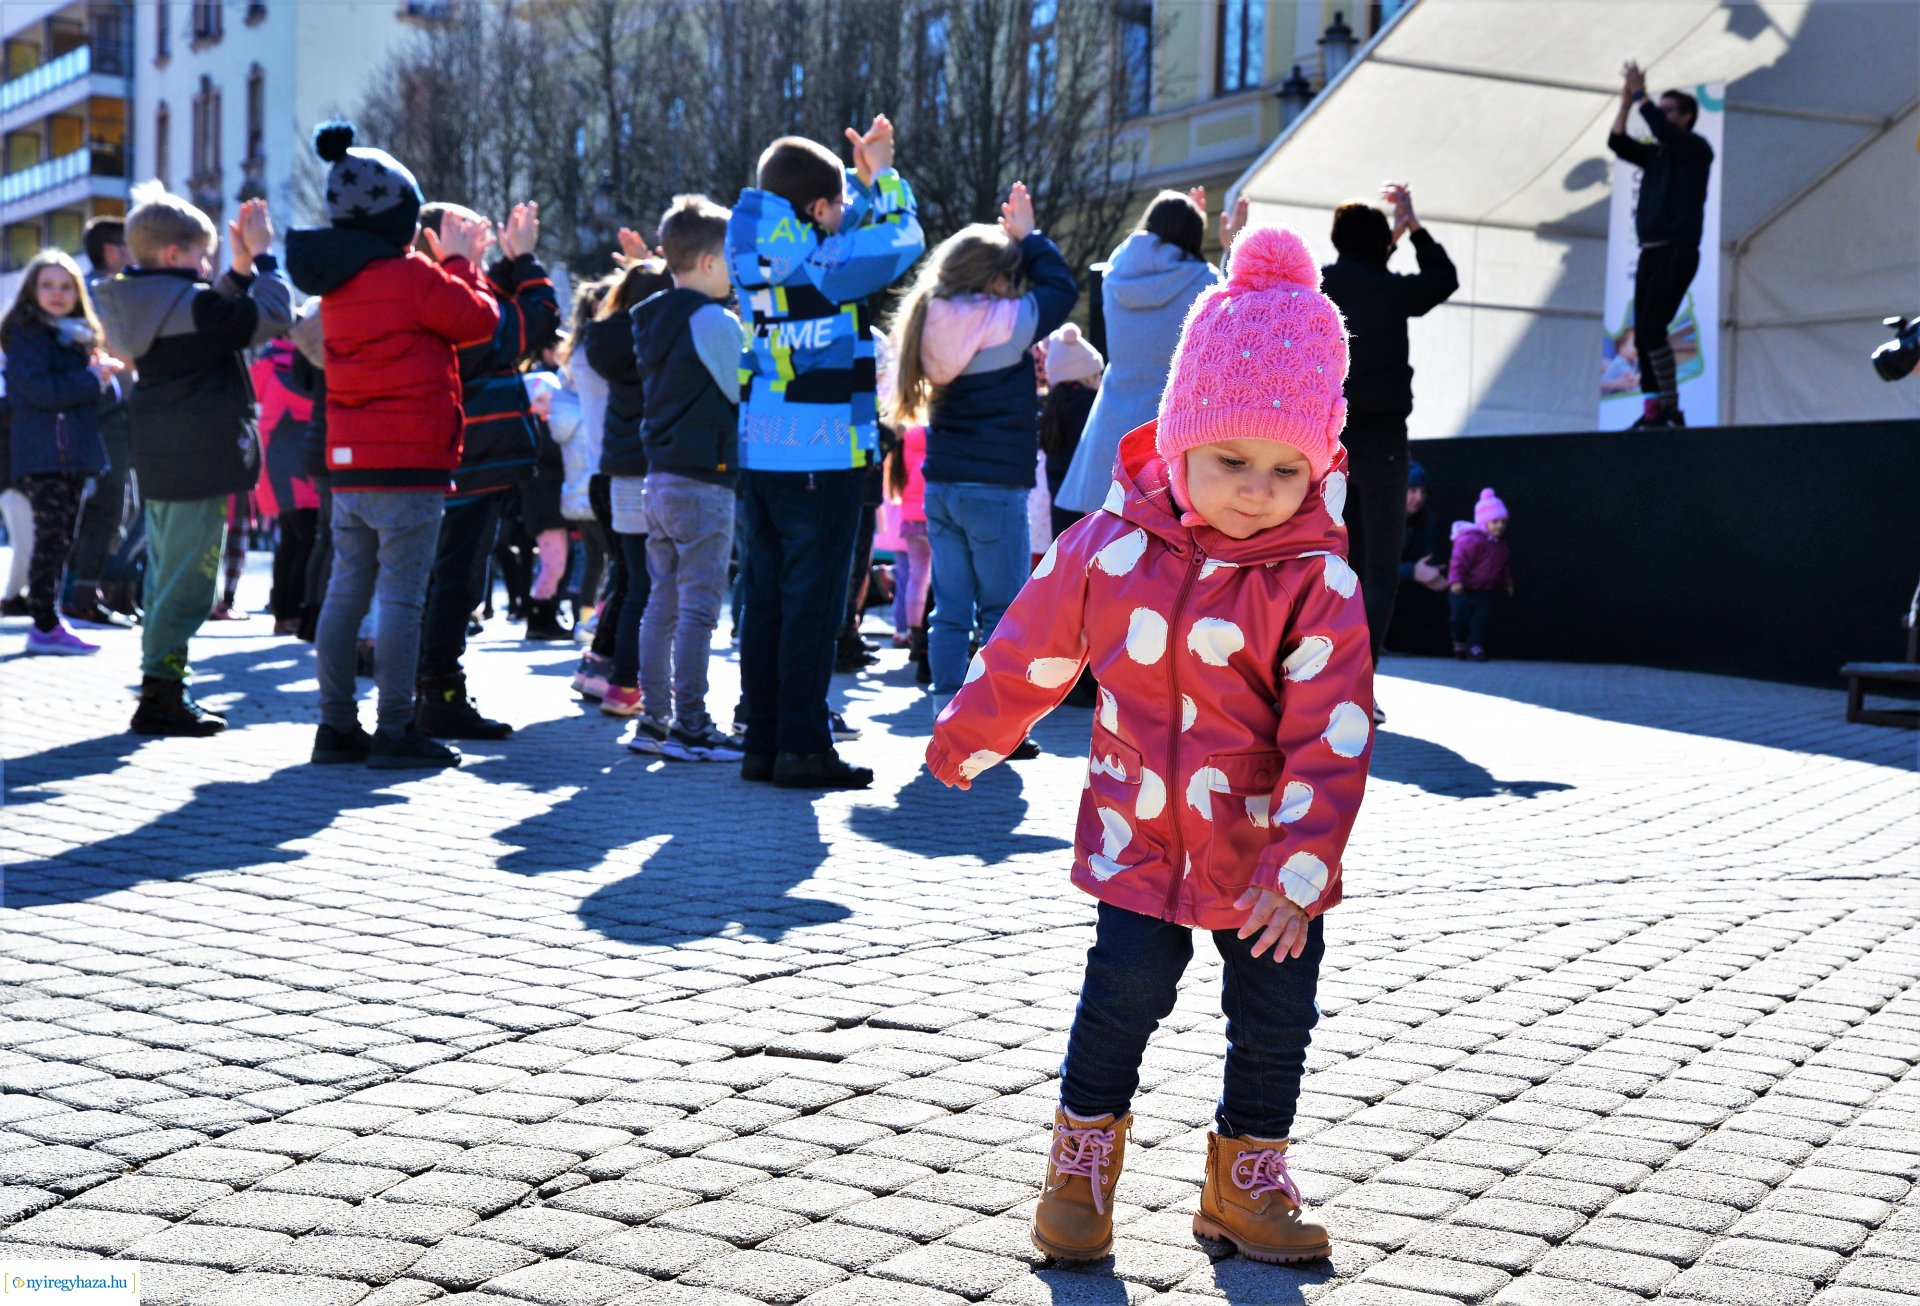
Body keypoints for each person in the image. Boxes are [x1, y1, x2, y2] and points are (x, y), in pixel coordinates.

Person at [927, 226, 1372, 1267]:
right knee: (1122, 990)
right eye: (1230, 460)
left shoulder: (1318, 581)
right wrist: (969, 738)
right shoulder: (1111, 546)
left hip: (1266, 854)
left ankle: (1246, 1174)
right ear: (1178, 438)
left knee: (1275, 1009)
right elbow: (1030, 646)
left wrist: (1299, 870)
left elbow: (1333, 737)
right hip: (1138, 832)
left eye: (1283, 467)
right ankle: (1079, 1167)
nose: (1256, 489)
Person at [285, 120, 500, 768]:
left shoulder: (335, 284)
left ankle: (335, 726)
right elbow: (480, 320)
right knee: (404, 596)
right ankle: (397, 731)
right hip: (410, 463)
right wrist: (460, 261)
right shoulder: (409, 276)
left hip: (350, 463)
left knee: (348, 590)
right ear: (403, 218)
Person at [729, 117, 924, 789]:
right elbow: (901, 240)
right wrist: (887, 178)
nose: (843, 214)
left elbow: (841, 240)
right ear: (816, 209)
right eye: (835, 205)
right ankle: (804, 747)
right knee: (812, 607)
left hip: (762, 454)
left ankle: (764, 741)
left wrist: (856, 187)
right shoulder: (821, 264)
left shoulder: (761, 252)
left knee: (767, 601)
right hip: (822, 456)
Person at [96, 184, 292, 736]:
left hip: (162, 451)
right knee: (190, 579)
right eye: (202, 256)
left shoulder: (140, 301)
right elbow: (273, 315)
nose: (208, 265)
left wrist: (235, 268)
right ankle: (162, 692)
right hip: (199, 454)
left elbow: (208, 315)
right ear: (176, 257)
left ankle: (161, 683)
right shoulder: (194, 307)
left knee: (166, 569)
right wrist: (264, 256)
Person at [888, 182, 1076, 705]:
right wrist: (1030, 237)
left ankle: (946, 705)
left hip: (944, 487)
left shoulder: (928, 319)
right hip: (994, 487)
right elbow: (1061, 290)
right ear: (993, 278)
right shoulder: (1001, 322)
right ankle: (992, 721)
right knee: (1002, 609)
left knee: (949, 607)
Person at [413, 199, 560, 739]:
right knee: (454, 580)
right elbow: (526, 327)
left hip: (471, 459)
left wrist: (501, 263)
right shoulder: (439, 291)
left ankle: (429, 687)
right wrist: (523, 262)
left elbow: (491, 306)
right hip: (466, 459)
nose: (479, 237)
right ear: (432, 242)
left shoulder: (454, 286)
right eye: (462, 229)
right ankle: (437, 692)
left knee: (457, 578)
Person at [620, 194, 746, 763]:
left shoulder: (650, 317)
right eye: (734, 259)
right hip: (705, 483)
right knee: (698, 608)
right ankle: (692, 725)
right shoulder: (714, 321)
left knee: (660, 604)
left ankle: (652, 720)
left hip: (660, 478)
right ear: (710, 263)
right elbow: (742, 392)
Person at [1319, 182, 1457, 686]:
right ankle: (1359, 682)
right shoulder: (1392, 291)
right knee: (1380, 571)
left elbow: (1361, 273)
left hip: (1327, 442)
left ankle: (1317, 677)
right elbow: (1443, 279)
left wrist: (1386, 242)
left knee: (1332, 563)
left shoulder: (1318, 286)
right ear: (1381, 244)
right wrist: (1413, 228)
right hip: (1384, 444)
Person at [1053, 189, 1237, 517]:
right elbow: (1233, 321)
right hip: (1165, 432)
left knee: (1104, 545)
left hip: (1110, 426)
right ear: (1193, 236)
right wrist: (1229, 248)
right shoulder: (1204, 282)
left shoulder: (1115, 275)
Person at [3, 250, 122, 655]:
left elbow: (102, 402)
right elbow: (40, 392)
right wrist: (91, 379)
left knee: (61, 540)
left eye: (66, 286)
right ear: (32, 291)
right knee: (49, 541)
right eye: (48, 285)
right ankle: (44, 624)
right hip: (44, 454)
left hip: (74, 452)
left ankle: (49, 620)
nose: (57, 293)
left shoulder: (79, 336)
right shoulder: (26, 333)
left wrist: (103, 377)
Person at [1609, 62, 1713, 430]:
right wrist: (1626, 103)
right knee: (1646, 332)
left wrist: (1642, 97)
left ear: (1686, 118)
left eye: (1670, 110)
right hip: (1650, 251)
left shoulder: (1696, 149)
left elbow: (1659, 127)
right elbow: (1618, 142)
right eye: (1663, 109)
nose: (1663, 116)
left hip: (1679, 250)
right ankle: (1656, 411)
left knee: (1652, 329)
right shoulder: (1656, 155)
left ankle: (1670, 408)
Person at [592, 258, 673, 717]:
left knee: (633, 582)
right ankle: (633, 681)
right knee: (654, 585)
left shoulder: (607, 339)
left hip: (619, 472)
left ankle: (623, 683)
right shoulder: (658, 338)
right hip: (654, 467)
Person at [62, 217, 136, 629]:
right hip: (104, 415)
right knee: (108, 504)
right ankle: (82, 596)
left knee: (116, 505)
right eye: (129, 245)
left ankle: (87, 592)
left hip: (106, 414)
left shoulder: (96, 291)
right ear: (112, 250)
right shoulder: (101, 293)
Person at [250, 338, 320, 634]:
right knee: (305, 541)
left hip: (275, 465)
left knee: (291, 541)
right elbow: (314, 404)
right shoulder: (292, 366)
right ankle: (293, 612)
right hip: (297, 468)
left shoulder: (267, 364)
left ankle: (284, 613)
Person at [1038, 324, 1103, 539]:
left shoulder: (1053, 406)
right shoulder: (1087, 404)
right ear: (1085, 376)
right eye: (1096, 375)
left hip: (1059, 498)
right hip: (1084, 501)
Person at [884, 422, 931, 684]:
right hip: (933, 515)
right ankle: (925, 633)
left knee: (916, 576)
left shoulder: (904, 443)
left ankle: (913, 634)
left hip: (910, 518)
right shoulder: (931, 437)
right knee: (935, 578)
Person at [1449, 487, 1513, 661]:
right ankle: (1459, 642)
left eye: (1503, 522)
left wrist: (1507, 582)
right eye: (1495, 521)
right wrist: (1456, 580)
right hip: (1464, 590)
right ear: (1484, 522)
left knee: (1481, 621)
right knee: (1459, 618)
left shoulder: (1500, 546)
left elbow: (1502, 566)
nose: (1500, 526)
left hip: (1486, 592)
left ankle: (1475, 645)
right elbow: (1458, 561)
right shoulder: (1470, 540)